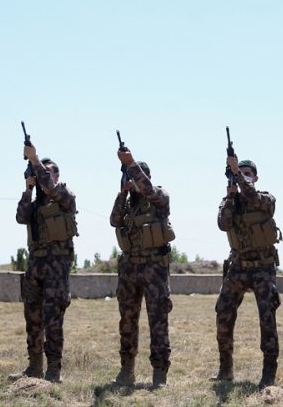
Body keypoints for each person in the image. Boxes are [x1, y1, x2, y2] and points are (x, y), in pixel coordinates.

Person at [213, 155, 281, 387]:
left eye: (247, 173)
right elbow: (223, 224)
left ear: (256, 177)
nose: (243, 176)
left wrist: (240, 179)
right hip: (238, 266)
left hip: (263, 267)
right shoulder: (228, 200)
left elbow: (254, 198)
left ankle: (269, 372)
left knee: (267, 318)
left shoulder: (265, 198)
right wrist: (231, 197)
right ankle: (225, 369)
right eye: (239, 173)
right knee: (223, 312)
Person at [12, 141, 77, 383]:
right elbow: (20, 217)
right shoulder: (36, 202)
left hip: (57, 266)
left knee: (53, 319)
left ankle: (53, 370)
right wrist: (28, 189)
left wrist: (35, 160)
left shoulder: (65, 196)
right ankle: (34, 367)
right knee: (33, 318)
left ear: (57, 175)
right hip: (35, 264)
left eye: (48, 173)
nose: (43, 176)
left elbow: (51, 187)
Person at [111, 143, 174, 388]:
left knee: (158, 320)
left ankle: (159, 372)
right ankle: (127, 369)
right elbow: (114, 220)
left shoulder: (159, 198)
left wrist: (131, 164)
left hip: (154, 269)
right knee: (127, 320)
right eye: (129, 177)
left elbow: (148, 188)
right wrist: (122, 193)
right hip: (129, 271)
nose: (133, 181)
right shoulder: (127, 204)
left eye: (136, 176)